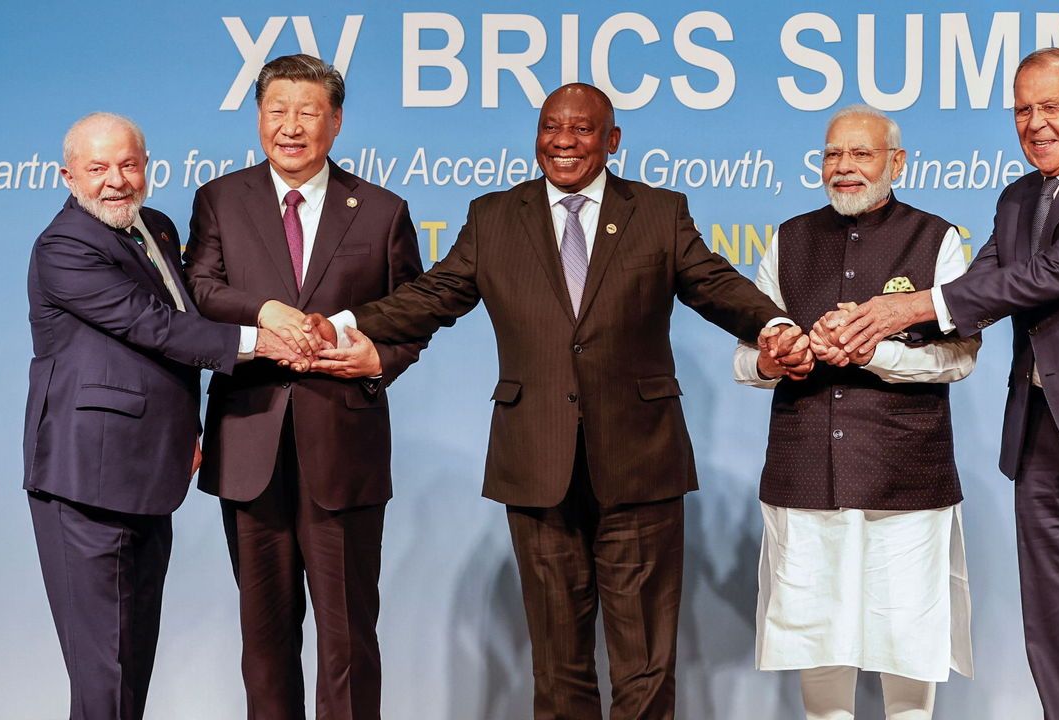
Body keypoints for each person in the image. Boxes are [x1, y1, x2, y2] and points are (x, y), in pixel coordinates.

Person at [308, 82, 794, 720]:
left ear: (612, 140)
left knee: (645, 664)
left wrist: (773, 327)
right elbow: (432, 297)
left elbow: (714, 283)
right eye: (550, 128)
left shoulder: (657, 211)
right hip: (535, 462)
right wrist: (345, 324)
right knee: (558, 664)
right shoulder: (493, 217)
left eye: (582, 129)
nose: (563, 141)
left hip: (641, 462)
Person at [827, 48, 1059, 719]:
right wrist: (866, 330)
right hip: (1038, 435)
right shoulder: (1016, 198)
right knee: (1054, 630)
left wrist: (909, 305)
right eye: (1022, 109)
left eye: (1050, 107)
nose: (1034, 123)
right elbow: (978, 289)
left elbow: (1048, 275)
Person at [24, 112, 298, 719]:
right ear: (68, 176)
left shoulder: (158, 227)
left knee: (132, 655)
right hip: (85, 479)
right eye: (98, 169)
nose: (116, 181)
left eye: (128, 164)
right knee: (103, 673)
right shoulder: (65, 246)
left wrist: (187, 428)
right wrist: (261, 340)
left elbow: (177, 322)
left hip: (151, 471)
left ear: (147, 167)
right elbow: (151, 326)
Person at [182, 54, 426, 720]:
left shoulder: (381, 211)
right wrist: (262, 311)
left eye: (307, 111)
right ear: (259, 116)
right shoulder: (219, 200)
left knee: (348, 640)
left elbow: (412, 314)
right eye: (276, 110)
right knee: (264, 640)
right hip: (249, 443)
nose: (290, 126)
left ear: (336, 122)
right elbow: (198, 291)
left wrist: (379, 359)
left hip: (343, 451)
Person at [734, 105, 978, 720]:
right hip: (804, 475)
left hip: (907, 480)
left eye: (860, 154)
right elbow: (744, 359)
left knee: (909, 647)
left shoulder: (936, 238)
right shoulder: (788, 238)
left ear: (896, 162)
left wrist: (878, 352)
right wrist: (776, 360)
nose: (844, 168)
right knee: (817, 643)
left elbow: (960, 358)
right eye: (832, 155)